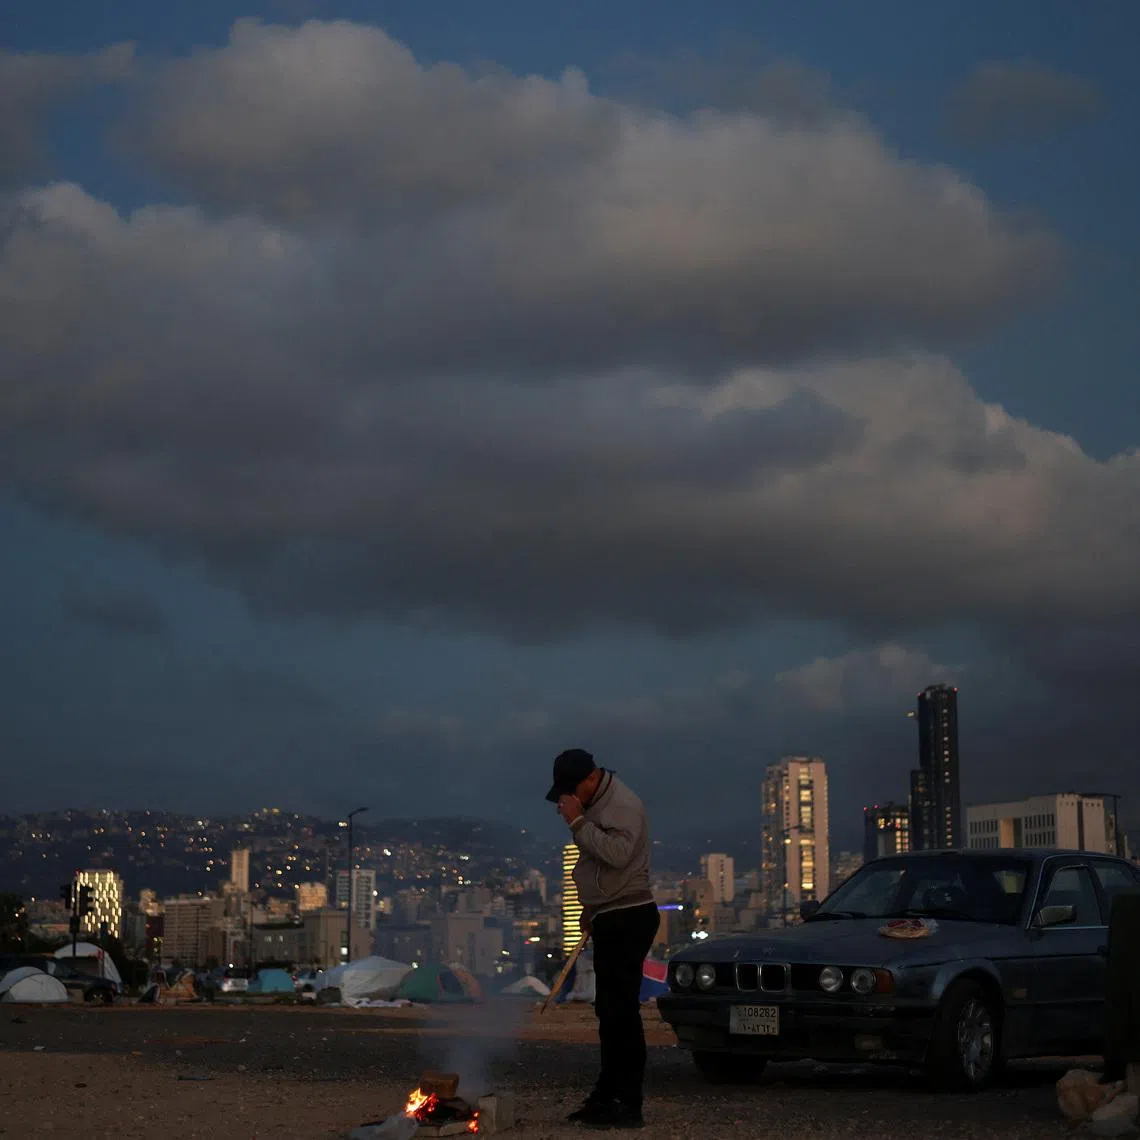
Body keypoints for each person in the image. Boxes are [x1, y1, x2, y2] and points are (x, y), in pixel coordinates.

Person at [547, 748, 658, 1130]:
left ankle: (628, 1103)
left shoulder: (622, 804)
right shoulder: (597, 803)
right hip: (611, 914)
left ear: (591, 779)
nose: (569, 800)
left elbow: (618, 854)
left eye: (572, 790)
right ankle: (607, 1095)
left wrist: (578, 822)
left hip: (630, 916)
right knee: (609, 1013)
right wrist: (591, 906)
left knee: (621, 1013)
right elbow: (597, 865)